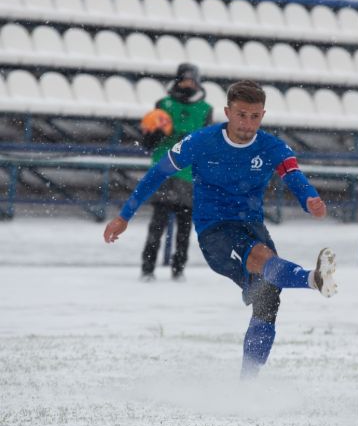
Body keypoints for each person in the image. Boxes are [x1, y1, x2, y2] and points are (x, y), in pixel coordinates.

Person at [104, 80, 338, 378]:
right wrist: (125, 216)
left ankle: (248, 384)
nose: (247, 123)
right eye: (241, 115)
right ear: (227, 112)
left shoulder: (272, 147)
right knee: (260, 263)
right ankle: (311, 279)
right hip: (214, 230)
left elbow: (294, 176)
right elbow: (157, 173)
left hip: (251, 225)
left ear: (262, 115)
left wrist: (310, 199)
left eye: (255, 116)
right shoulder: (200, 142)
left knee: (268, 299)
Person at [139, 63, 213, 282]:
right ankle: (147, 268)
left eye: (192, 80)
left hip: (190, 174)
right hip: (165, 171)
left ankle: (178, 268)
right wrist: (156, 134)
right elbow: (148, 142)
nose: (188, 83)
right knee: (158, 223)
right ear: (177, 80)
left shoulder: (205, 109)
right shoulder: (164, 104)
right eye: (184, 79)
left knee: (185, 227)